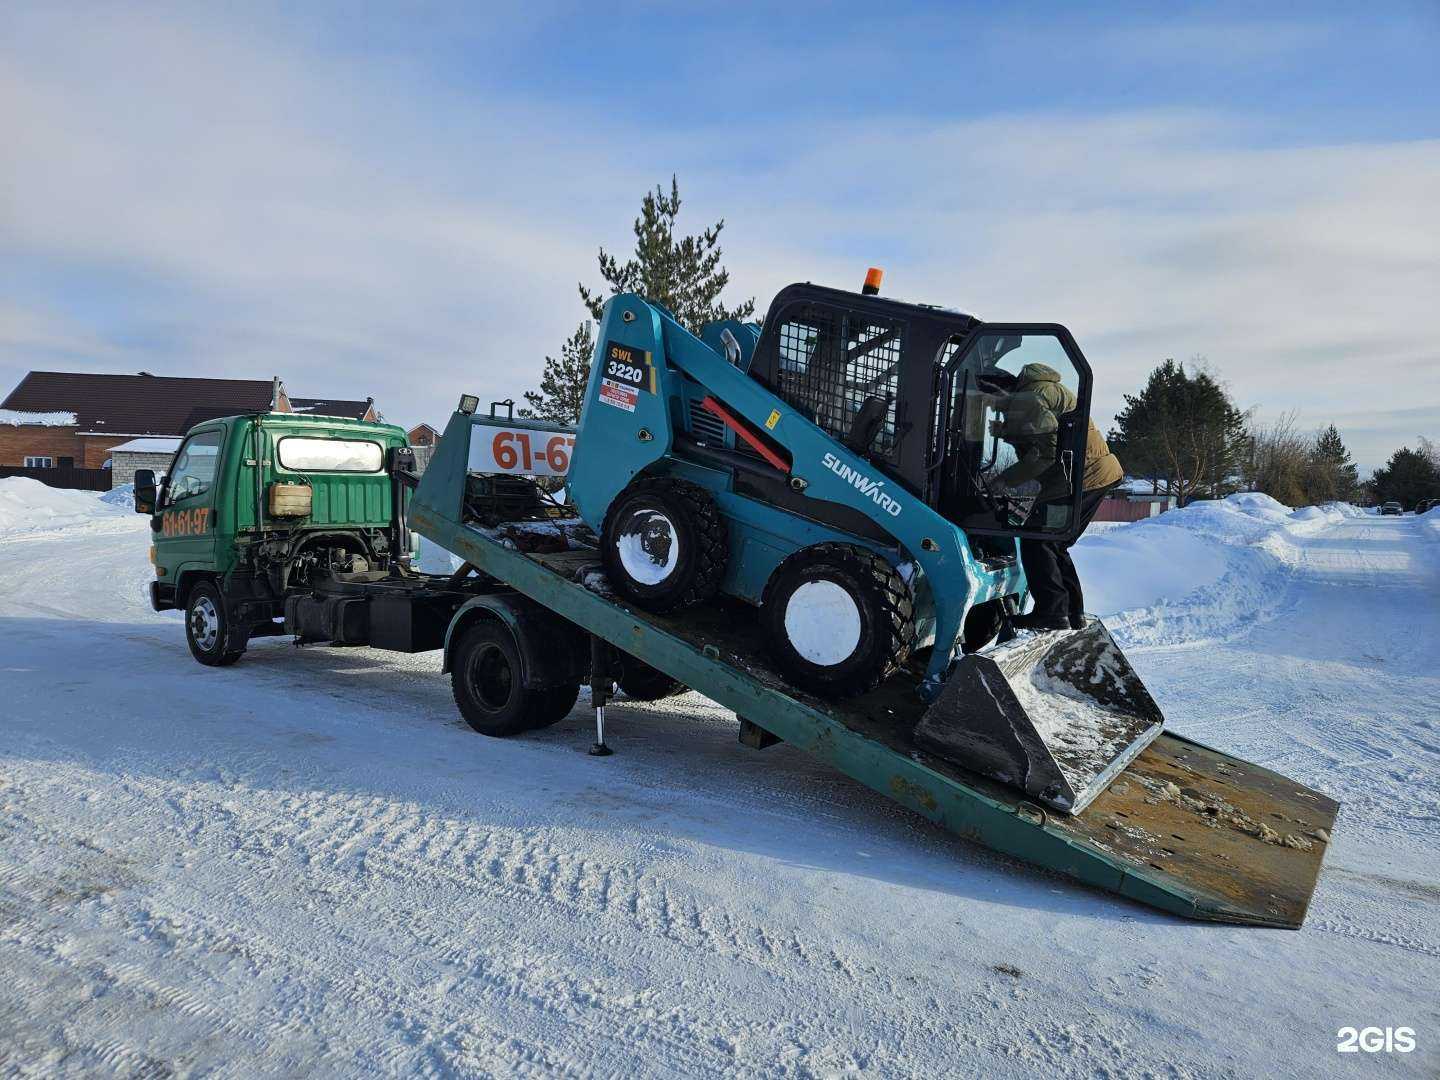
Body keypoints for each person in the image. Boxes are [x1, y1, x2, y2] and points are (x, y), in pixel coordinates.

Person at [982, 362, 1123, 631]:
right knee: (1053, 542)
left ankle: (1052, 612)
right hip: (1088, 474)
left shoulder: (1027, 399)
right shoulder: (1037, 392)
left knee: (1038, 539)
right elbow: (1044, 434)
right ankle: (1071, 613)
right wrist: (1007, 431)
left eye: (989, 403)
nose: (992, 410)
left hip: (1082, 476)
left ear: (999, 392)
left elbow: (1046, 453)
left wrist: (1004, 480)